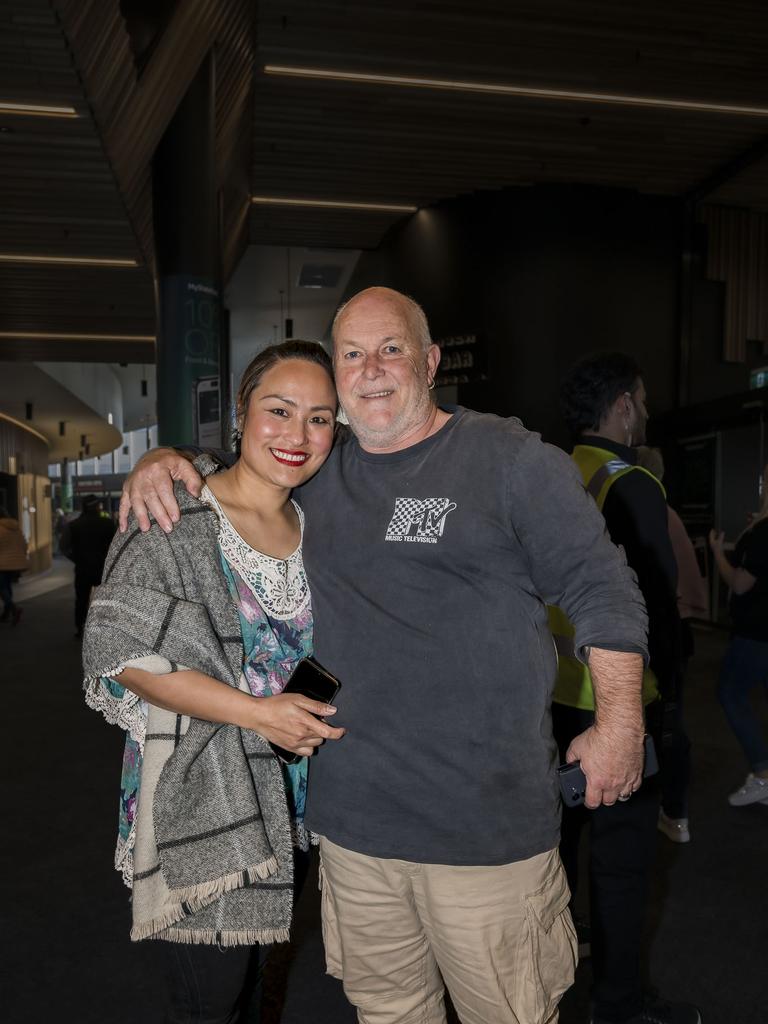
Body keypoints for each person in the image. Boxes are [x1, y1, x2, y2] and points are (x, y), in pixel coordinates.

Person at [122, 287, 650, 1024]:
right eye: (351, 355)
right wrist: (164, 457)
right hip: (355, 835)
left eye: (391, 349)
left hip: (485, 837)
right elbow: (258, 453)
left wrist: (620, 721)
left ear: (431, 362)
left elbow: (605, 589)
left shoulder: (509, 460)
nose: (371, 371)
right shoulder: (321, 471)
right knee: (389, 1014)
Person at [82, 341, 345, 1024]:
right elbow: (123, 654)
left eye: (320, 418)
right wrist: (256, 714)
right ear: (240, 411)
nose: (298, 434)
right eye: (279, 410)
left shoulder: (326, 524)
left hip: (296, 800)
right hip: (203, 797)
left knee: (263, 985)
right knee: (212, 1000)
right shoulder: (179, 514)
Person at [554, 354, 699, 1024]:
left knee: (553, 855)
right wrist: (663, 703)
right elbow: (655, 611)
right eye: (640, 400)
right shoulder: (630, 481)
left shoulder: (557, 473)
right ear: (620, 404)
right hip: (616, 707)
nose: (644, 412)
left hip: (550, 699)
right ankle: (619, 1003)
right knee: (621, 864)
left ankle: (549, 978)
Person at [636, 445, 708, 844]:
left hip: (666, 633)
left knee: (667, 721)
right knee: (668, 719)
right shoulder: (664, 513)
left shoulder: (656, 512)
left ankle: (673, 810)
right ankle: (673, 811)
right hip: (673, 631)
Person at [709, 466, 768, 806]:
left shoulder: (763, 533)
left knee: (730, 693)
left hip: (756, 633)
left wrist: (717, 552)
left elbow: (740, 583)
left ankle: (763, 775)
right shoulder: (759, 531)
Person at [61, 495, 117, 637]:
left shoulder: (74, 525)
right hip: (104, 568)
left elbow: (64, 547)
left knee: (81, 599)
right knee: (106, 598)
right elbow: (118, 545)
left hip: (82, 568)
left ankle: (80, 628)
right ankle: (106, 627)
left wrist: (77, 559)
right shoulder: (109, 524)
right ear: (98, 506)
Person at [0, 505, 28, 625]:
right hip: (14, 563)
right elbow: (24, 544)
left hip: (2, 563)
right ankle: (7, 613)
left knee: (1, 588)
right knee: (7, 586)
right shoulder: (16, 527)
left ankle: (13, 608)